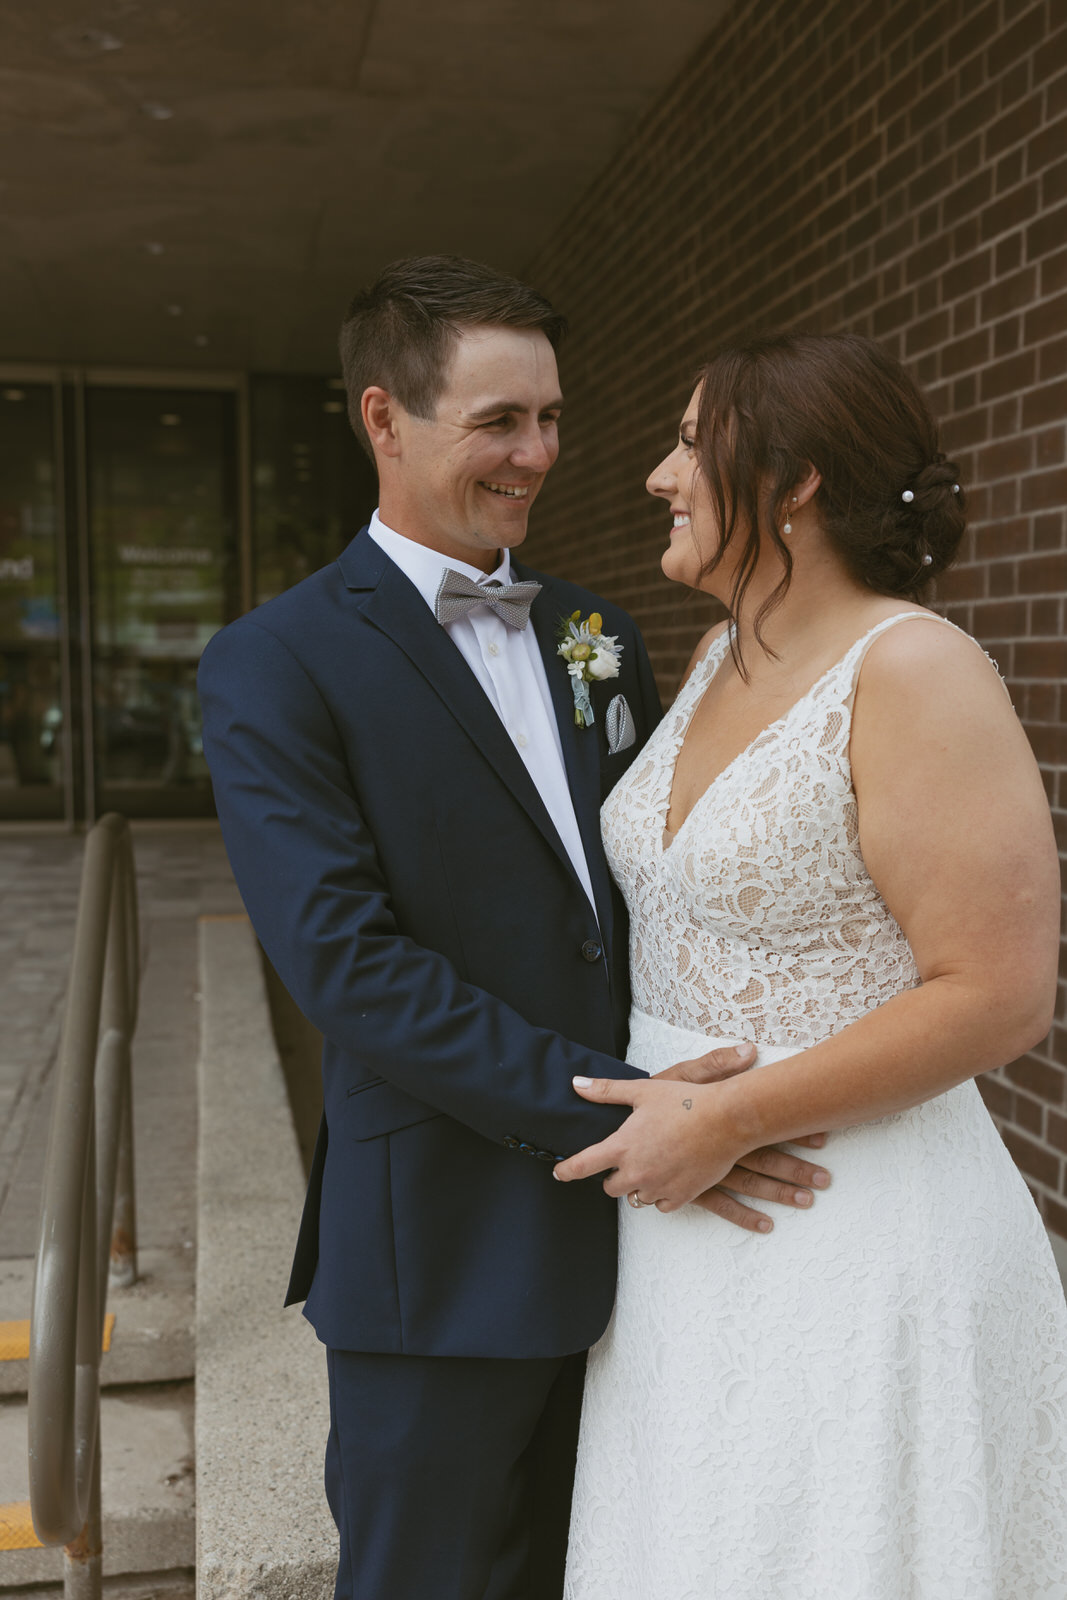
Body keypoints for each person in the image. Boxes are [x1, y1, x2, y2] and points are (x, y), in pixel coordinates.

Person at [196, 258, 832, 1600]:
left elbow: (656, 899)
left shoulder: (597, 634)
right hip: (440, 1253)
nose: (536, 453)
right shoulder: (276, 660)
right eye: (498, 421)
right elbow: (347, 968)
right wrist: (626, 1113)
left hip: (649, 1246)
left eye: (549, 416)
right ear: (384, 419)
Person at [554, 330, 1067, 1598]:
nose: (658, 476)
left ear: (794, 481)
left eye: (689, 441)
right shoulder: (727, 653)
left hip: (854, 1238)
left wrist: (728, 1116)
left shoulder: (912, 668)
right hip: (684, 1241)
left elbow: (996, 992)